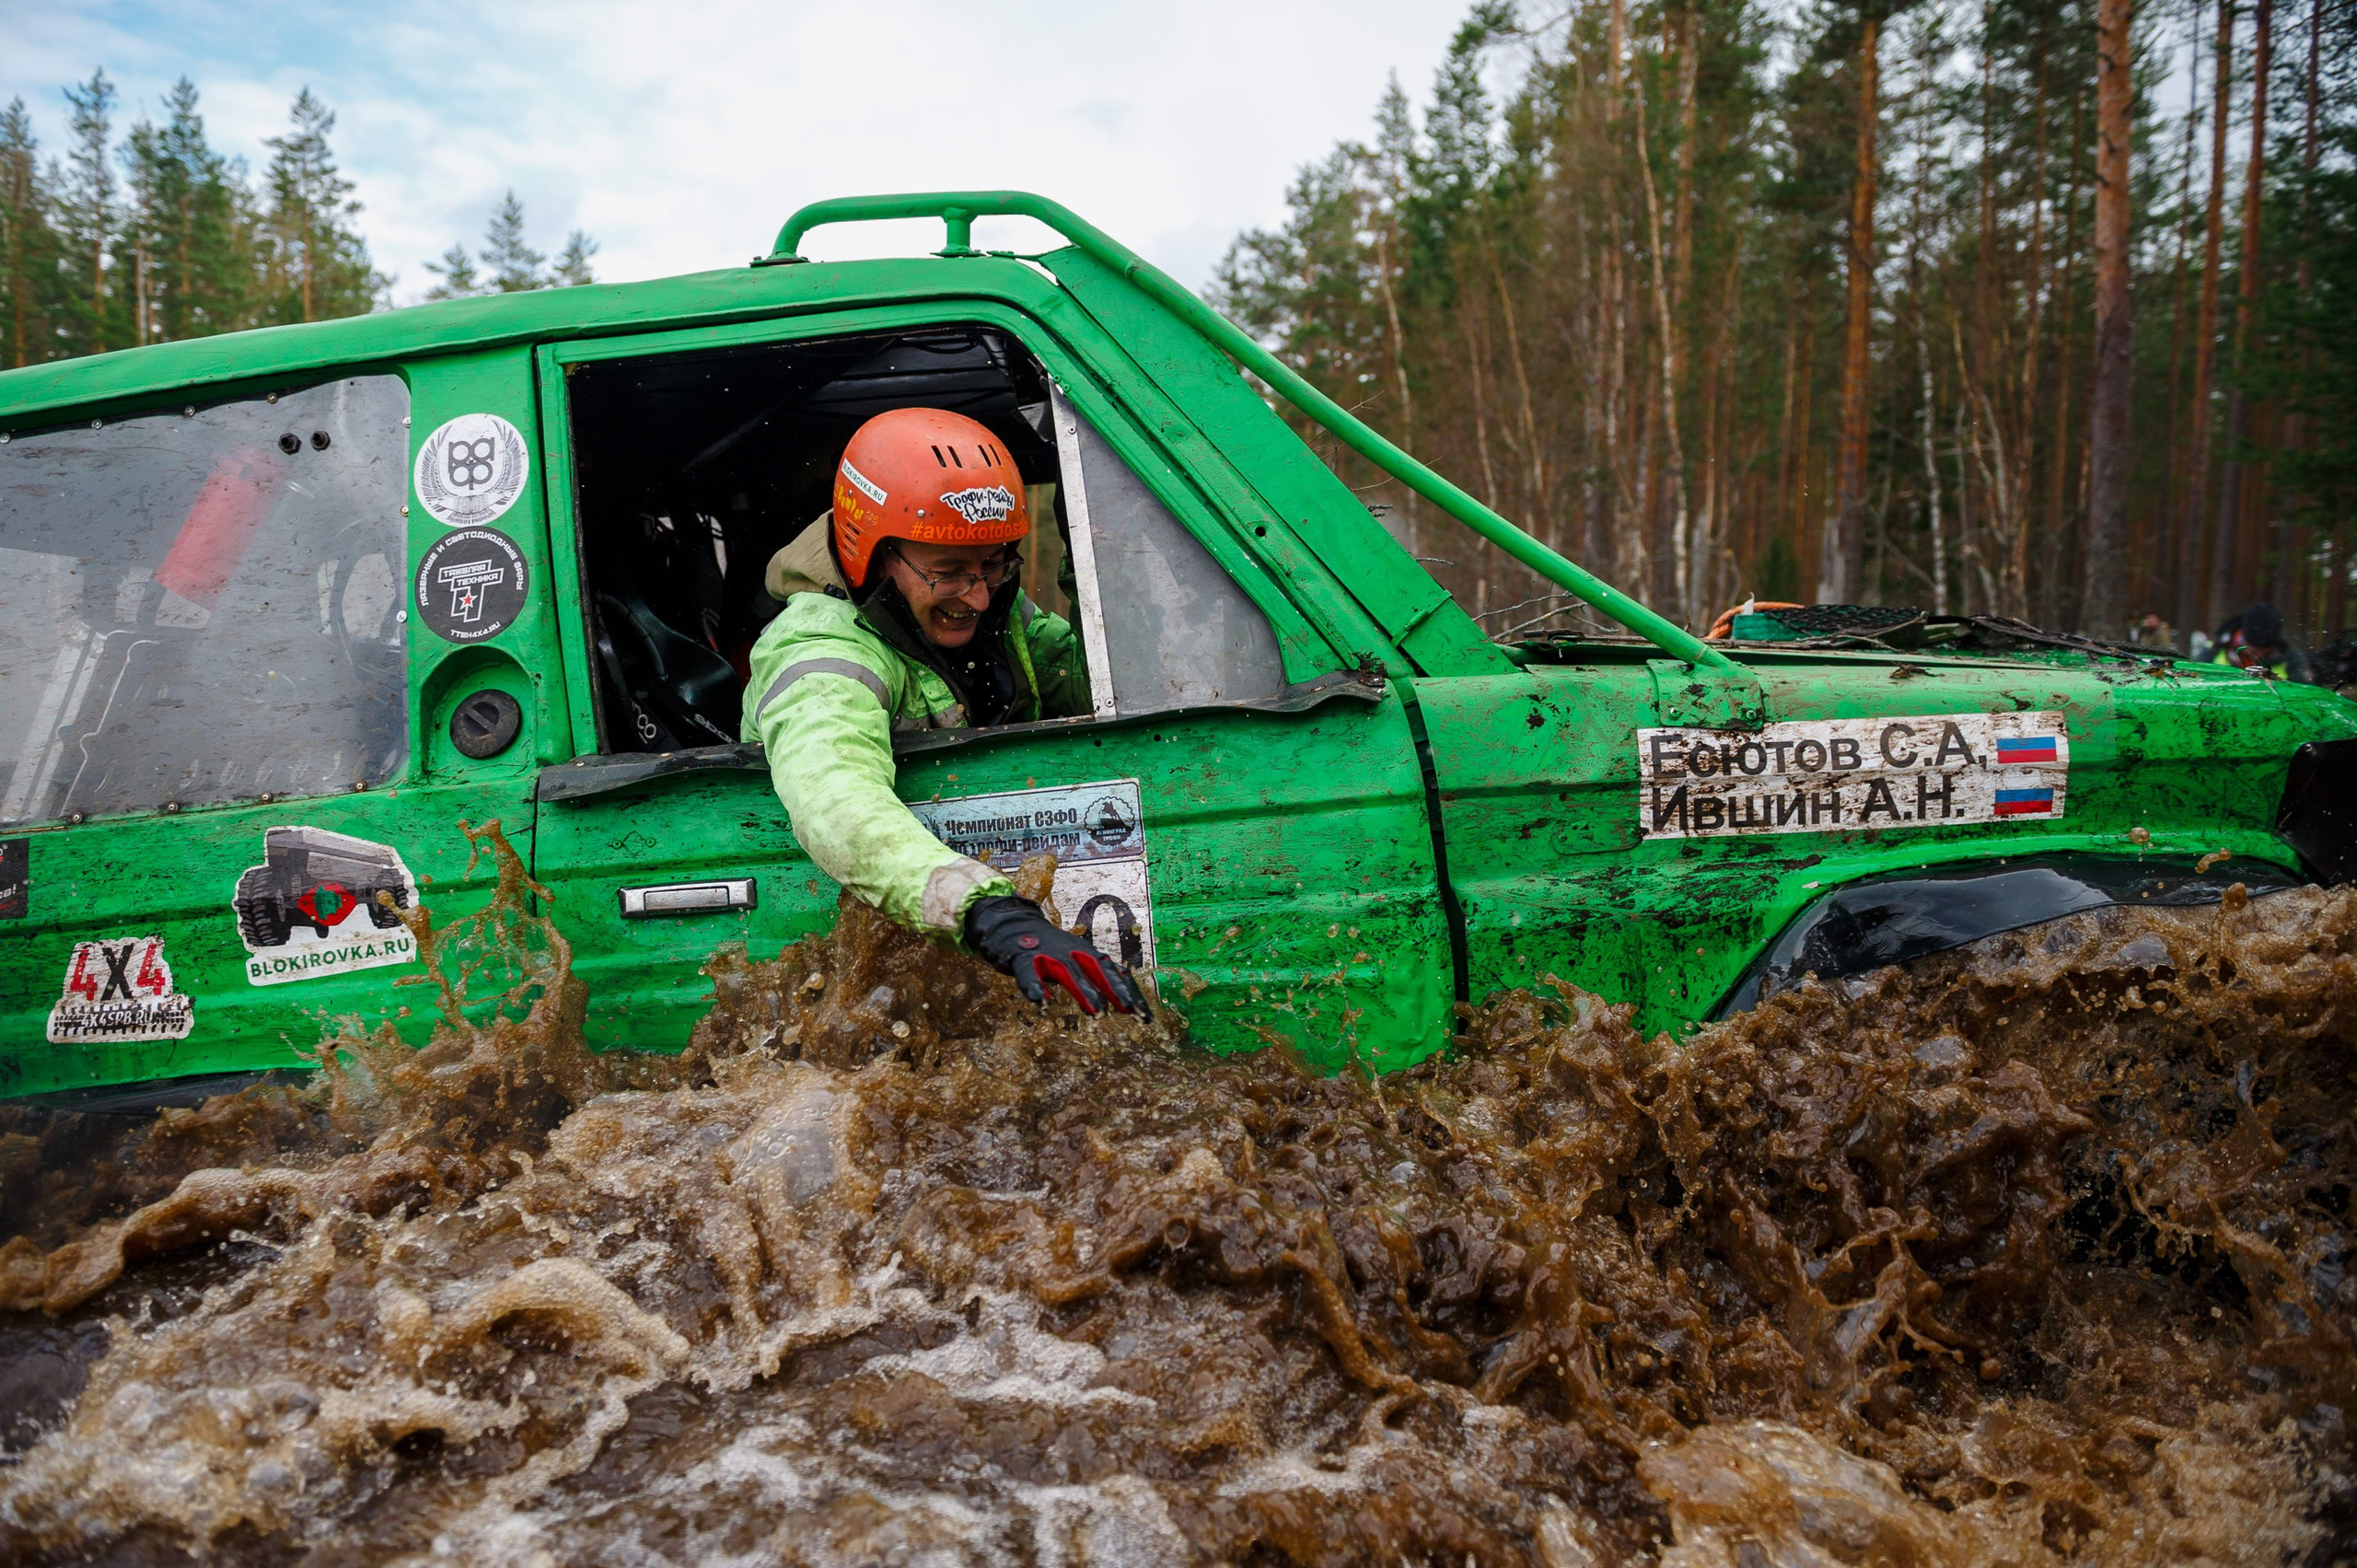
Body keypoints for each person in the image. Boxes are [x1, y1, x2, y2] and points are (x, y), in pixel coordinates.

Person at [741, 406, 1148, 1017]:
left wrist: (1097, 560)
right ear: (873, 556)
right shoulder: (819, 650)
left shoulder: (999, 609)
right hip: (869, 955)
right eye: (951, 571)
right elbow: (834, 795)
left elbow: (1106, 689)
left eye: (993, 563)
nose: (979, 596)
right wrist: (984, 906)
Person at [2209, 601, 2312, 682]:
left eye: (2266, 653)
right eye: (2254, 651)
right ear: (2242, 638)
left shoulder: (2292, 660)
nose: (2257, 657)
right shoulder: (2214, 651)